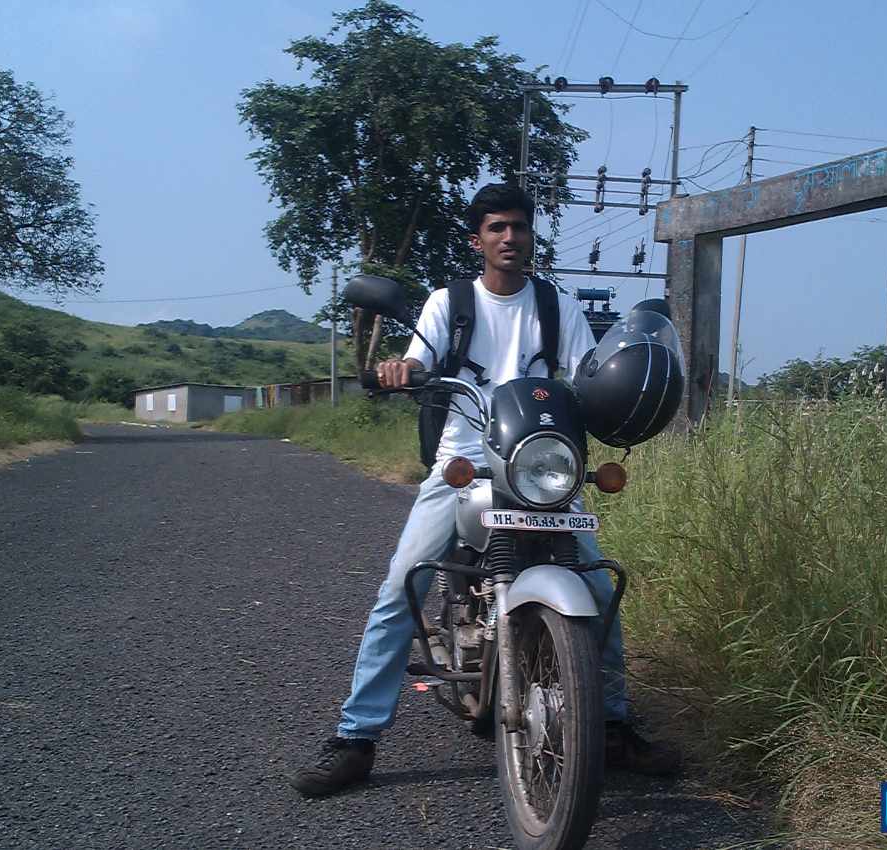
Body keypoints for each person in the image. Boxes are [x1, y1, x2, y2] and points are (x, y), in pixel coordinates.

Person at [291, 183, 681, 799]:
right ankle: (355, 737)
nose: (509, 237)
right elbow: (419, 361)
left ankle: (609, 725)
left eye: (519, 227)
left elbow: (585, 379)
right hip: (466, 464)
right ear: (478, 240)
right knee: (403, 586)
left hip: (535, 463)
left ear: (530, 237)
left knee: (600, 588)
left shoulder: (558, 307)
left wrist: (622, 395)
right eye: (496, 228)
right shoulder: (451, 303)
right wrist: (402, 370)